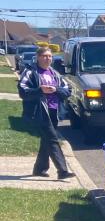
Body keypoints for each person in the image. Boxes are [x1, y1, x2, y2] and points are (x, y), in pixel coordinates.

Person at [19, 47, 75, 180]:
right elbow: (23, 91)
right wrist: (40, 90)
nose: (47, 58)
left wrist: (55, 89)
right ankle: (62, 170)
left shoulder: (54, 73)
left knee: (47, 140)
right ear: (37, 57)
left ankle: (39, 169)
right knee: (52, 139)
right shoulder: (30, 72)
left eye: (49, 56)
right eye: (44, 56)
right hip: (39, 112)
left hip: (54, 111)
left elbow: (68, 90)